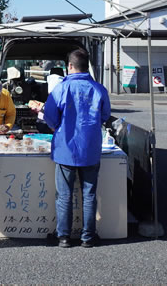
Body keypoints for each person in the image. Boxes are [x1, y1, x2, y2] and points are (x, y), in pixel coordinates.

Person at [43, 48, 111, 248]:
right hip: (90, 149)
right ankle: (87, 237)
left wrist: (57, 126)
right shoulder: (99, 89)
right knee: (89, 195)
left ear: (70, 66)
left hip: (65, 149)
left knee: (64, 195)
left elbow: (49, 115)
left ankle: (63, 236)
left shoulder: (61, 88)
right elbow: (105, 115)